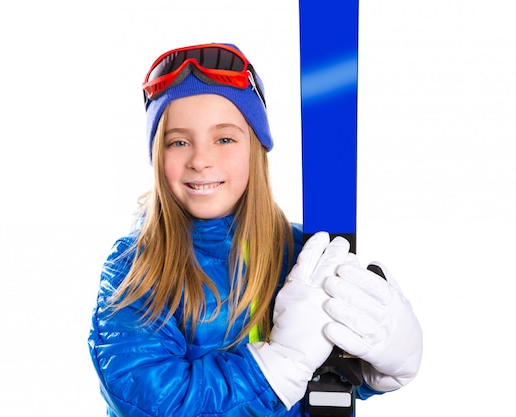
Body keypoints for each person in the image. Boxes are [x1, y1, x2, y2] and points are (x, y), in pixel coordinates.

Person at [88, 43, 422, 416]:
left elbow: (326, 384)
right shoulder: (136, 267)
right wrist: (277, 367)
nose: (200, 159)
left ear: (256, 147)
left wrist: (373, 367)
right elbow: (146, 401)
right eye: (178, 142)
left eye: (224, 139)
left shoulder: (303, 254)